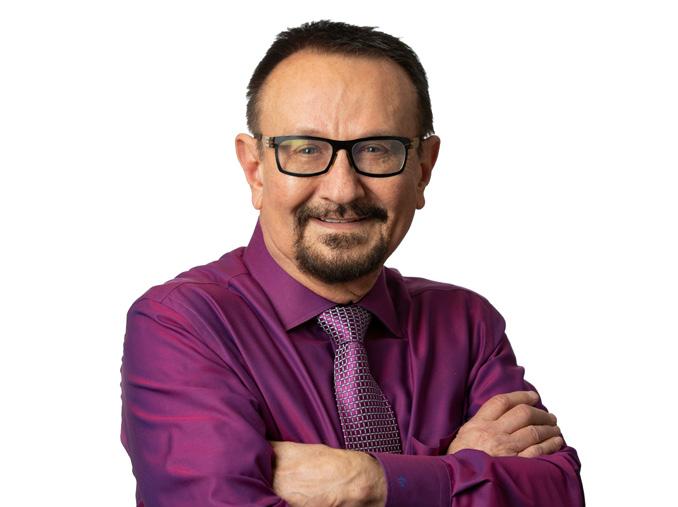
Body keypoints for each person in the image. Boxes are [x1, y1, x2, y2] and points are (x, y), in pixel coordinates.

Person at [120, 20, 584, 506]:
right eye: (305, 150)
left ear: (423, 169)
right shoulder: (182, 325)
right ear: (255, 169)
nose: (342, 190)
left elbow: (559, 496)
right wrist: (458, 475)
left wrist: (366, 482)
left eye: (377, 150)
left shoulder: (467, 325)